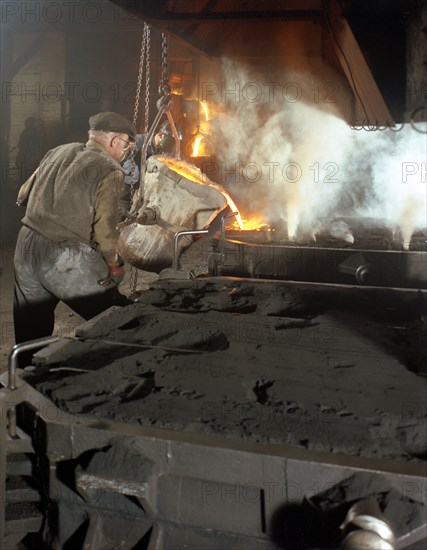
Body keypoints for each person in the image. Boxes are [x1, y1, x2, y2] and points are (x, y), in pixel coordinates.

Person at [13, 111, 136, 348]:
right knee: (119, 318)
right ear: (115, 140)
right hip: (64, 254)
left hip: (25, 244)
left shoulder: (57, 151)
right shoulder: (110, 168)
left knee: (31, 332)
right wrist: (113, 265)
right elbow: (104, 230)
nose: (125, 153)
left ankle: (25, 377)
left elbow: (23, 194)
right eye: (127, 146)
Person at [119, 120, 182, 215]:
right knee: (122, 216)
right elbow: (120, 155)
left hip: (145, 192)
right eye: (170, 141)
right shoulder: (139, 141)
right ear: (161, 135)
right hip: (128, 190)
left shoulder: (163, 152)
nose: (171, 146)